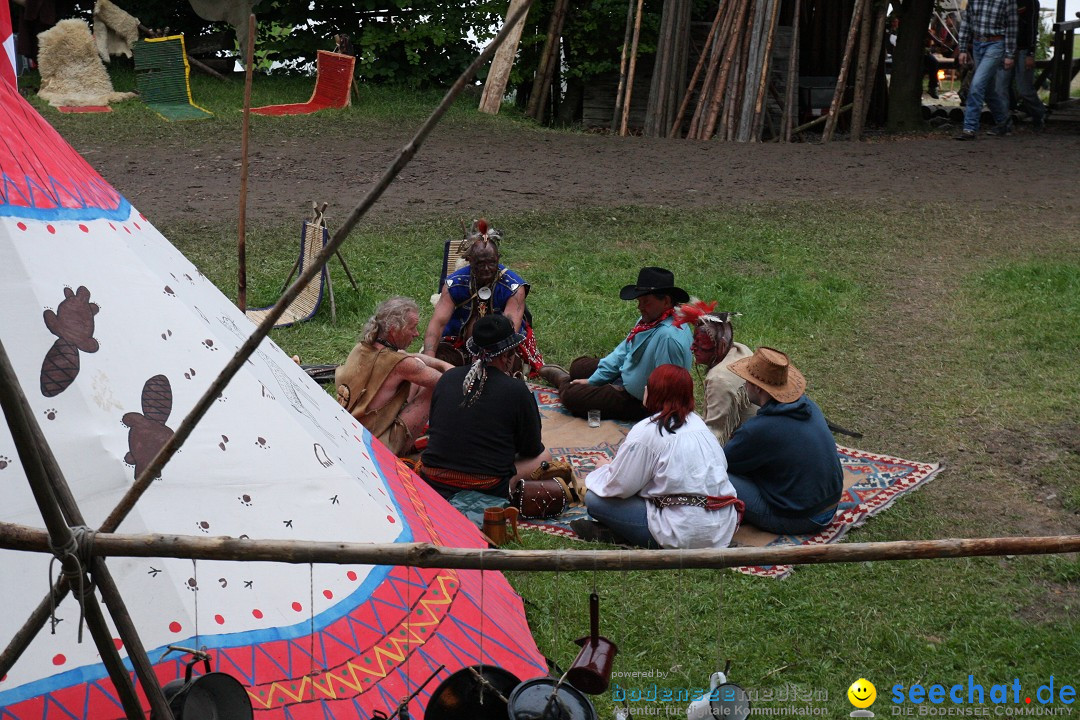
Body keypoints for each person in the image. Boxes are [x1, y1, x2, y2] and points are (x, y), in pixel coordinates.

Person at [571, 365, 743, 549]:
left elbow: (619, 486)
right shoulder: (700, 425)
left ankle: (623, 534)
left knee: (594, 499)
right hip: (722, 527)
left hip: (683, 531)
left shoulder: (648, 431)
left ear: (655, 393)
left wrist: (605, 469)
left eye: (649, 386)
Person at [418, 314, 552, 498]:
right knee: (544, 458)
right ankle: (511, 487)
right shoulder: (516, 390)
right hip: (486, 485)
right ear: (506, 355)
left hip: (433, 478)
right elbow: (531, 449)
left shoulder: (448, 378)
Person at [539, 267, 692, 422]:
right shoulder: (649, 319)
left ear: (666, 301)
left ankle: (563, 381)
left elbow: (667, 392)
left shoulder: (668, 338)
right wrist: (594, 380)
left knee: (573, 396)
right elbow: (623, 351)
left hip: (637, 400)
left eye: (646, 302)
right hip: (625, 372)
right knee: (578, 366)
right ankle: (574, 380)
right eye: (639, 301)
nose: (640, 307)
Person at [723, 347, 843, 535]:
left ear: (757, 387)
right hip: (830, 505)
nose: (745, 385)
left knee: (717, 475)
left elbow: (723, 462)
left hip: (801, 518)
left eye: (747, 381)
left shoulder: (759, 429)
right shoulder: (808, 405)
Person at [422, 218, 543, 374]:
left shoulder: (513, 287)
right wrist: (429, 362)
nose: (486, 268)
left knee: (508, 368)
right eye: (480, 264)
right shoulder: (455, 283)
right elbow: (437, 323)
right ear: (470, 261)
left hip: (501, 347)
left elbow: (510, 332)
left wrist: (503, 371)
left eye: (491, 263)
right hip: (459, 342)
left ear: (498, 259)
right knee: (441, 360)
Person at [335, 296, 452, 456]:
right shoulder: (402, 364)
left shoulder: (362, 347)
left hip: (346, 429)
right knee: (435, 388)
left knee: (416, 364)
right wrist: (446, 367)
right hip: (374, 444)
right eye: (412, 328)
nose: (416, 334)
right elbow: (450, 381)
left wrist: (433, 362)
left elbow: (405, 356)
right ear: (394, 329)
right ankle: (403, 449)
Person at [672, 300, 756, 445]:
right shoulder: (741, 350)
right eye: (694, 341)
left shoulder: (720, 379)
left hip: (746, 447)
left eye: (701, 343)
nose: (692, 348)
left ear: (721, 345)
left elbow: (714, 436)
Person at [955, 0, 1017, 139]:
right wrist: (963, 49)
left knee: (976, 84)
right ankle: (1003, 122)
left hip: (996, 43)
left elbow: (1012, 28)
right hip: (978, 43)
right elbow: (966, 22)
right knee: (988, 88)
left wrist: (1009, 54)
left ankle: (969, 128)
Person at [997, 0, 1047, 132]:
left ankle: (1039, 114)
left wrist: (1031, 52)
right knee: (1001, 86)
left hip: (1023, 49)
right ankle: (1004, 122)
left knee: (1024, 89)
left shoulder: (1031, 2)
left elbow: (1032, 26)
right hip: (1006, 47)